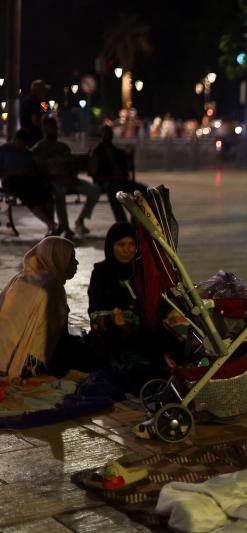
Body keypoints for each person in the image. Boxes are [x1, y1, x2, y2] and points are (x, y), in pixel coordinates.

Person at [0, 236, 85, 378]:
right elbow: (53, 340)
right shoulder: (52, 287)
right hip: (28, 366)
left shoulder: (20, 278)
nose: (76, 263)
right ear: (56, 259)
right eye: (71, 258)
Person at [87, 222, 157, 390]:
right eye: (121, 245)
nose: (127, 250)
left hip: (140, 330)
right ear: (111, 246)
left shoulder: (142, 271)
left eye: (132, 244)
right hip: (112, 332)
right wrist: (114, 319)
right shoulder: (101, 272)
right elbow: (94, 309)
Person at [33, 117, 100, 237]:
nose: (54, 131)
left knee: (94, 190)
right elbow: (41, 171)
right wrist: (57, 177)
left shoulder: (63, 147)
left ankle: (80, 220)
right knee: (59, 191)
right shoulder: (39, 148)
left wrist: (71, 176)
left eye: (55, 128)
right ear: (44, 129)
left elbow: (71, 165)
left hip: (69, 180)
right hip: (53, 182)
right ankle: (64, 226)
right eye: (51, 128)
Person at [0, 129, 58, 233]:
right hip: (12, 180)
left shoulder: (27, 153)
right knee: (28, 196)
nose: (22, 146)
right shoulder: (5, 150)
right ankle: (51, 224)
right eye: (20, 143)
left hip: (29, 179)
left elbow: (34, 170)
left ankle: (51, 225)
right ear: (15, 140)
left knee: (46, 193)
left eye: (24, 144)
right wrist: (17, 172)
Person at [88, 125, 147, 223]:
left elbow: (125, 171)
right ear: (101, 136)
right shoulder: (97, 152)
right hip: (106, 182)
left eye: (109, 134)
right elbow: (96, 174)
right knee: (114, 190)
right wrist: (112, 177)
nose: (107, 137)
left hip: (120, 180)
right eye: (105, 134)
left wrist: (122, 176)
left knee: (143, 190)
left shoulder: (118, 152)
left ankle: (136, 218)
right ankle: (122, 222)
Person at [20, 80, 50, 146]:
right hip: (32, 137)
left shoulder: (40, 101)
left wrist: (44, 101)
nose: (45, 92)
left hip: (33, 136)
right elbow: (36, 120)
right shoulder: (32, 101)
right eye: (43, 90)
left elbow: (46, 111)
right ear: (37, 90)